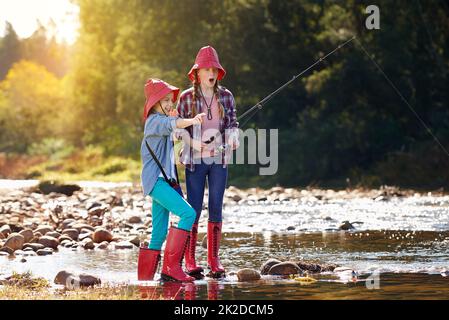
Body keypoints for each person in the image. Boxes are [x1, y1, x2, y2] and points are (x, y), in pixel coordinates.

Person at [176, 46, 239, 278]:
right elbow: (178, 129)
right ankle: (190, 259)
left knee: (215, 206)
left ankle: (214, 260)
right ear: (197, 73)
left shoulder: (226, 96)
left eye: (214, 69)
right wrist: (193, 143)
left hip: (219, 160)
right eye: (206, 69)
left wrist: (233, 137)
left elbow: (233, 123)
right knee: (193, 209)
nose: (211, 73)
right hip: (194, 161)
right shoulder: (185, 98)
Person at [138, 78, 206, 282]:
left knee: (158, 233)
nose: (170, 104)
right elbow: (175, 124)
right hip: (156, 183)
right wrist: (193, 120)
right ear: (154, 104)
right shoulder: (155, 121)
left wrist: (193, 142)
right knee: (188, 213)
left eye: (170, 100)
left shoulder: (161, 122)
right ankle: (170, 269)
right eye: (165, 100)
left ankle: (145, 280)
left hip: (160, 183)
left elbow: (177, 131)